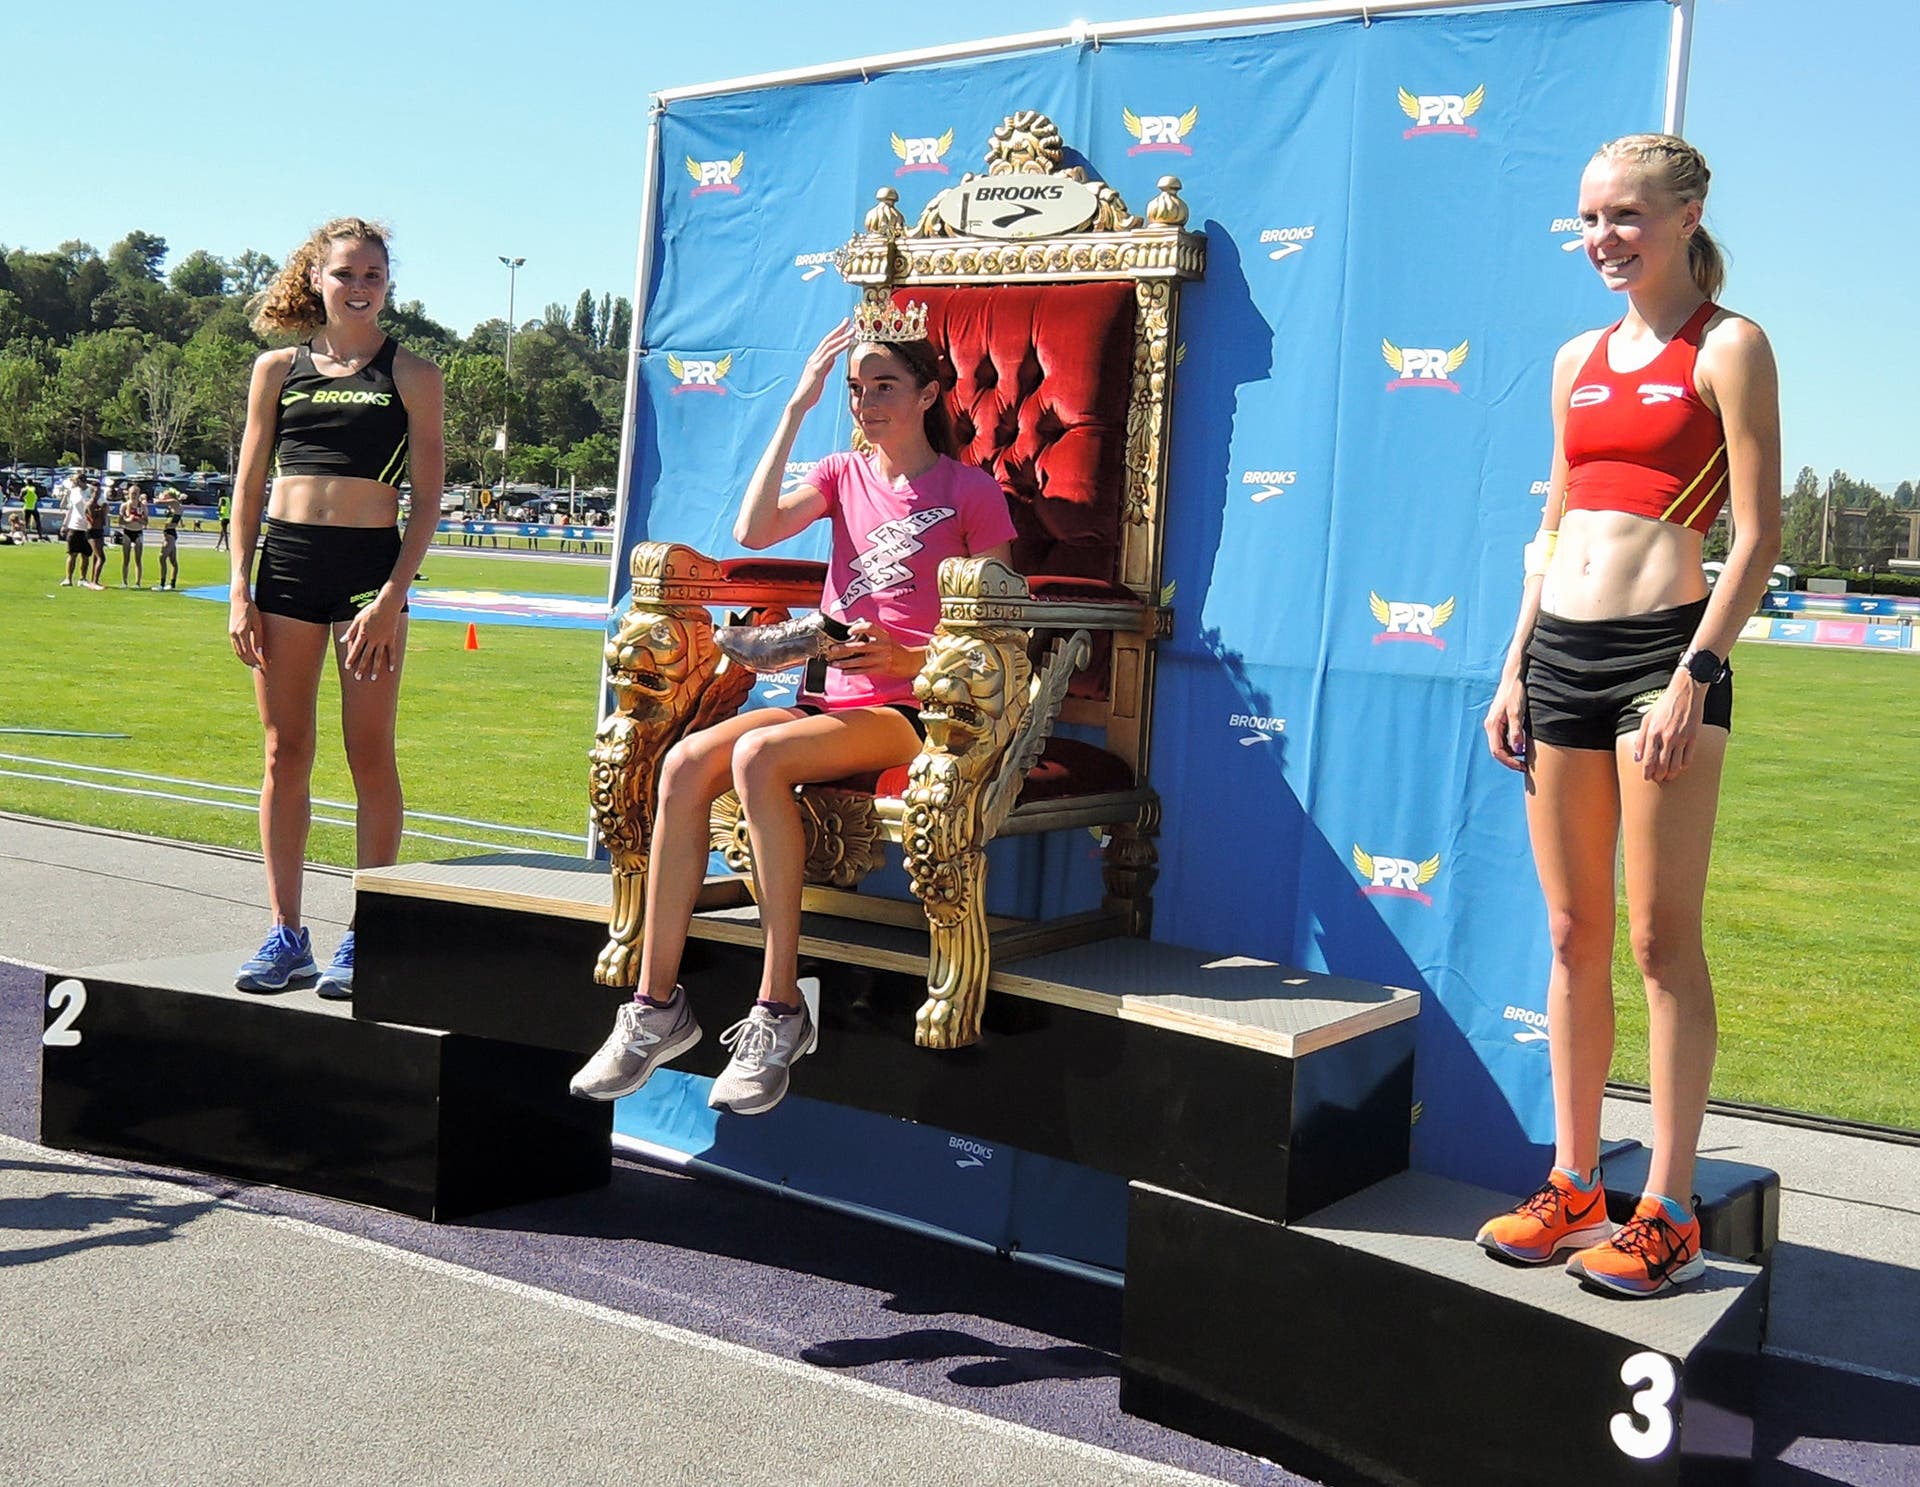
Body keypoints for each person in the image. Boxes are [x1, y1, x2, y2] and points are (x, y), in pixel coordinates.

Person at [569, 308, 1017, 1116]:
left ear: (928, 392)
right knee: (680, 762)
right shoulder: (843, 474)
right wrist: (795, 405)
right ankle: (655, 1004)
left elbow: (1001, 625)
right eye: (856, 387)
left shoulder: (968, 492)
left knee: (755, 759)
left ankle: (779, 1008)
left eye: (885, 384)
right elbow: (752, 527)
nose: (867, 400)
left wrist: (911, 658)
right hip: (826, 693)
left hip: (918, 704)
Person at [1477, 135, 1781, 1297]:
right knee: (1569, 934)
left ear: (1688, 209)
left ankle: (1668, 1204)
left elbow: (1755, 534)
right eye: (1591, 218)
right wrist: (1515, 666)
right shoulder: (1576, 359)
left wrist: (1698, 674)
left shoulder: (1732, 346)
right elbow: (1552, 529)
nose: (1606, 237)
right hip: (1558, 656)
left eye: (1626, 216)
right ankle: (1572, 1181)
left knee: (1658, 939)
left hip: (1668, 658)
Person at [227, 217, 445, 997]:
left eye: (373, 276)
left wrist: (393, 596)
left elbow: (426, 499)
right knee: (285, 752)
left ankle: (369, 930)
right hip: (283, 568)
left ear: (388, 285)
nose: (359, 288)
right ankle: (286, 933)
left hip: (367, 578)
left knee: (368, 753)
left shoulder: (413, 374)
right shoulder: (276, 369)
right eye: (345, 274)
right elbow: (249, 485)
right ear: (316, 277)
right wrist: (239, 585)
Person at [60, 476, 98, 588]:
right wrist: (64, 524)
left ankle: (82, 578)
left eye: (75, 481)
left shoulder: (91, 491)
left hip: (87, 527)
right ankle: (68, 579)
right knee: (72, 554)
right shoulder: (73, 492)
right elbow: (70, 509)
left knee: (86, 555)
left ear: (81, 481)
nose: (73, 483)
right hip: (74, 526)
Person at [119, 483, 149, 587]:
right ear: (129, 494)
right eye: (132, 493)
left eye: (136, 493)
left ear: (139, 494)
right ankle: (124, 581)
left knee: (138, 559)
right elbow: (120, 522)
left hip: (138, 532)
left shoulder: (143, 506)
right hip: (127, 532)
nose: (134, 495)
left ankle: (138, 582)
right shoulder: (124, 505)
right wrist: (128, 520)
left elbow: (146, 522)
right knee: (126, 558)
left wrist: (138, 519)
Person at [155, 487, 182, 590]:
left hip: (170, 534)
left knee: (162, 557)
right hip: (168, 533)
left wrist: (159, 498)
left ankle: (162, 584)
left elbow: (158, 502)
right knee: (173, 560)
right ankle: (172, 584)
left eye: (166, 496)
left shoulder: (175, 502)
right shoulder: (172, 507)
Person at [86, 479, 110, 587]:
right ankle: (94, 582)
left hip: (99, 531)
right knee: (101, 557)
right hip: (93, 532)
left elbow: (104, 521)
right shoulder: (90, 504)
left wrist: (103, 510)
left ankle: (94, 580)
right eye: (96, 492)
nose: (98, 494)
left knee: (96, 557)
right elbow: (94, 519)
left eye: (99, 492)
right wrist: (102, 510)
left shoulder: (100, 504)